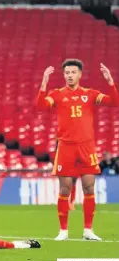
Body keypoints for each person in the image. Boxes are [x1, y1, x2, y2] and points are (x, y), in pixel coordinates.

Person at [37, 60, 118, 241]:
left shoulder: (89, 94)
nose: (70, 75)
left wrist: (110, 81)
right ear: (64, 75)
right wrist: (44, 82)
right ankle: (63, 231)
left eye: (73, 72)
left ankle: (88, 230)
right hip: (66, 147)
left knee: (89, 187)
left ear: (80, 74)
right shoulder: (57, 95)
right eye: (67, 72)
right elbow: (40, 106)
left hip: (86, 147)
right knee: (65, 189)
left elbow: (115, 102)